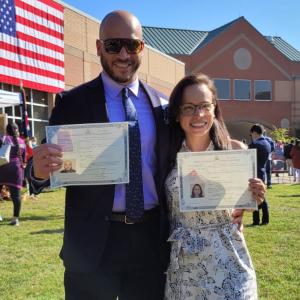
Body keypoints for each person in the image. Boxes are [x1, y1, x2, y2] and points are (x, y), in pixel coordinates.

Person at [28, 11, 264, 300]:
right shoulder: (72, 103)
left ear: (143, 47)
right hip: (92, 245)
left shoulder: (164, 107)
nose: (124, 54)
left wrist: (236, 194)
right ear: (99, 47)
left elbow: (194, 156)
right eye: (114, 45)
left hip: (151, 242)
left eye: (132, 45)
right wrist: (38, 171)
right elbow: (41, 168)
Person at [164, 73, 265, 299]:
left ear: (214, 108)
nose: (198, 114)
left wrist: (254, 197)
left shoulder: (236, 151)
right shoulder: (167, 156)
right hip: (184, 271)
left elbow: (242, 207)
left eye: (204, 106)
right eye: (188, 107)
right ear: (178, 113)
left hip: (229, 262)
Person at [0, 123, 26, 226]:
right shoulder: (22, 142)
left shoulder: (3, 138)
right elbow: (24, 160)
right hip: (16, 169)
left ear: (6, 130)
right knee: (16, 196)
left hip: (2, 167)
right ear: (17, 130)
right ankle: (15, 219)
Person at [249, 124, 271, 226]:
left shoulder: (255, 145)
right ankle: (263, 219)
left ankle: (257, 220)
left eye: (251, 133)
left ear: (254, 132)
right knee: (260, 196)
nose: (251, 135)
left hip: (255, 172)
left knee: (256, 197)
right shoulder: (267, 143)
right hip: (262, 172)